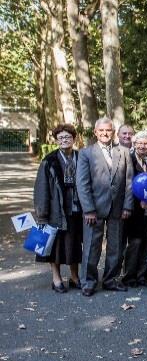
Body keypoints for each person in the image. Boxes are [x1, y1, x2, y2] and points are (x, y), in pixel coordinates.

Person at [76, 118, 133, 296]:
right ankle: (88, 282)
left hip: (118, 208)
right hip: (94, 209)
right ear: (95, 132)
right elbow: (82, 184)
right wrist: (88, 209)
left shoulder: (123, 152)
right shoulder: (86, 153)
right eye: (101, 131)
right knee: (92, 246)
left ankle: (110, 280)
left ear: (113, 132)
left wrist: (127, 206)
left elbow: (129, 182)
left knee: (115, 246)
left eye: (108, 130)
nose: (105, 133)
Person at [34, 124, 83, 293]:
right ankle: (56, 278)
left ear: (73, 139)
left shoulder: (80, 157)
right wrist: (42, 215)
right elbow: (42, 189)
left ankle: (75, 277)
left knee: (75, 245)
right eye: (61, 138)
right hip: (56, 210)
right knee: (54, 246)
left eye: (67, 137)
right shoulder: (49, 161)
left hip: (77, 210)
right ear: (56, 140)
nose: (64, 140)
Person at [122, 131, 147, 288]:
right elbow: (127, 185)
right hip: (135, 210)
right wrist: (139, 201)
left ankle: (142, 274)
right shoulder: (129, 160)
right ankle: (129, 276)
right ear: (134, 144)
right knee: (135, 243)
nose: (143, 146)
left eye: (146, 143)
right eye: (140, 143)